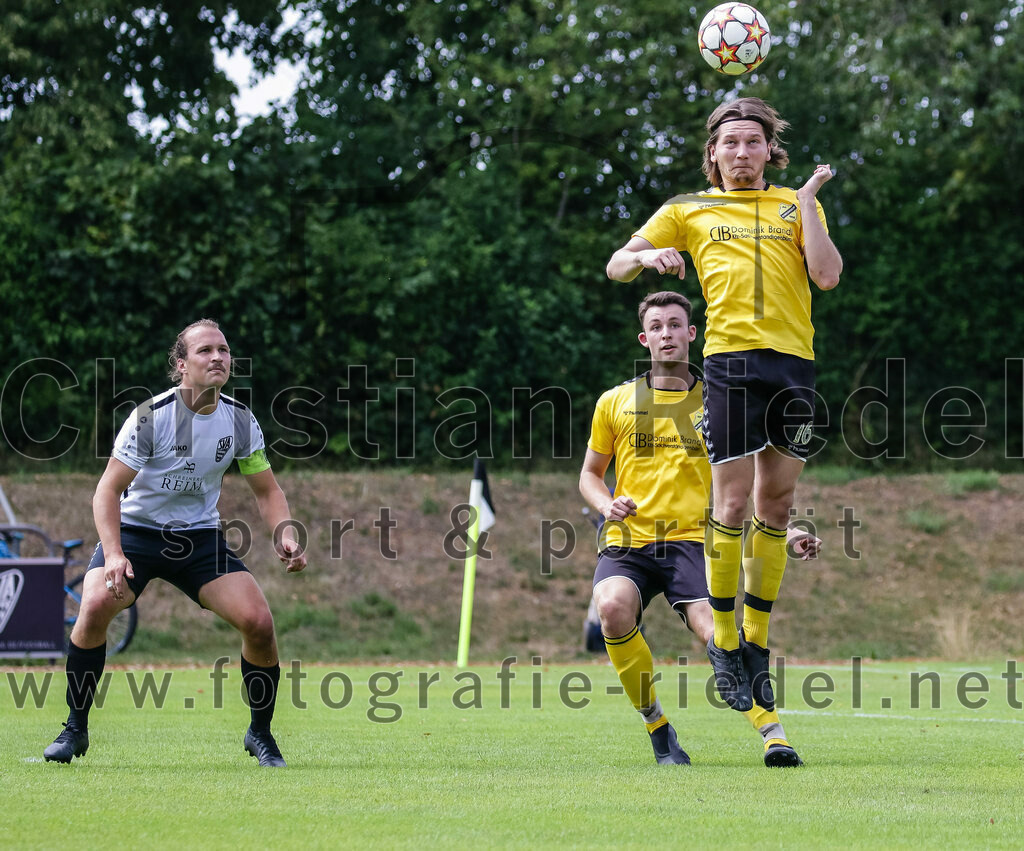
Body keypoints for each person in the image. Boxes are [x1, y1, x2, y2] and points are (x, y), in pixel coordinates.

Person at [605, 98, 842, 713]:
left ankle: (756, 639)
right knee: (731, 503)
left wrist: (811, 200)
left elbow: (827, 275)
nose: (741, 153)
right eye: (729, 144)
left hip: (792, 363)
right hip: (731, 364)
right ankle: (726, 641)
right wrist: (648, 255)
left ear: (770, 151)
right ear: (713, 154)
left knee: (778, 502)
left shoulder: (794, 203)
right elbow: (616, 265)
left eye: (752, 143)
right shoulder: (687, 209)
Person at [43, 319, 307, 767]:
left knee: (259, 622)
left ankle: (260, 735)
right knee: (91, 609)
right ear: (181, 366)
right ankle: (75, 729)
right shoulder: (152, 417)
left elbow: (267, 491)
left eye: (224, 350)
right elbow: (106, 492)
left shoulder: (240, 421)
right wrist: (114, 555)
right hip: (136, 532)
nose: (219, 357)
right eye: (205, 351)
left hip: (198, 537)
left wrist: (285, 533)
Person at [580, 291, 819, 767]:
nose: (667, 333)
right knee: (611, 608)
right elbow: (588, 475)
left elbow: (751, 487)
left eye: (675, 324)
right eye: (657, 326)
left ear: (693, 335)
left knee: (719, 638)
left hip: (696, 542)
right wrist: (608, 504)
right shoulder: (615, 402)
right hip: (629, 541)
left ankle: (774, 734)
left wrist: (786, 531)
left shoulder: (722, 401)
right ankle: (658, 729)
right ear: (644, 338)